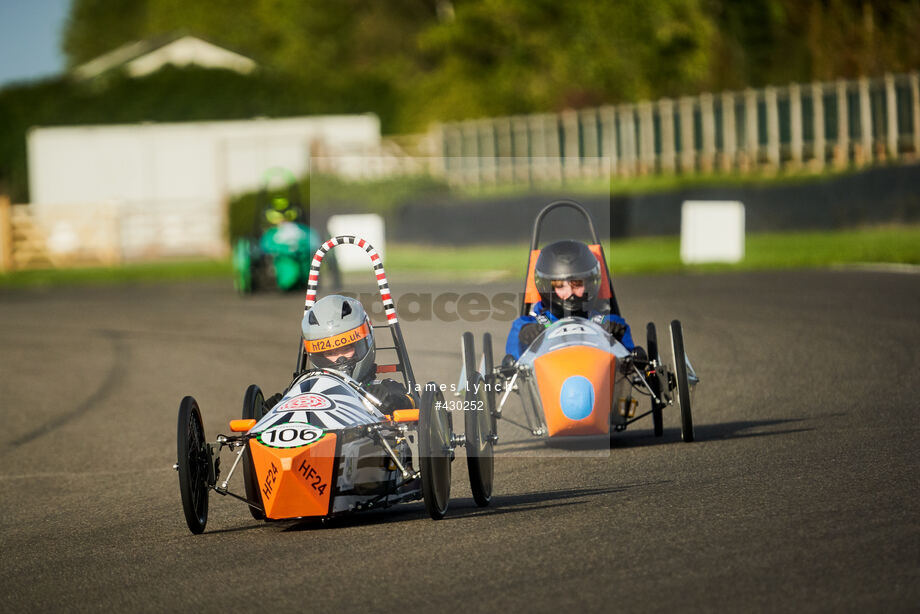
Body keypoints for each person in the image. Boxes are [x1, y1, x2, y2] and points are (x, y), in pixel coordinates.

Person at [505, 239, 644, 362]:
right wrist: (525, 337)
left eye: (577, 285)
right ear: (547, 288)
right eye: (560, 286)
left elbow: (632, 364)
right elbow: (512, 365)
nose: (570, 293)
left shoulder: (608, 322)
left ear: (590, 284)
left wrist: (617, 339)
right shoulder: (526, 325)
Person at [302, 295, 414, 413]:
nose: (340, 359)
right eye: (330, 353)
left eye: (346, 349)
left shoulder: (385, 390)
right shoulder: (305, 393)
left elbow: (413, 403)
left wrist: (397, 401)